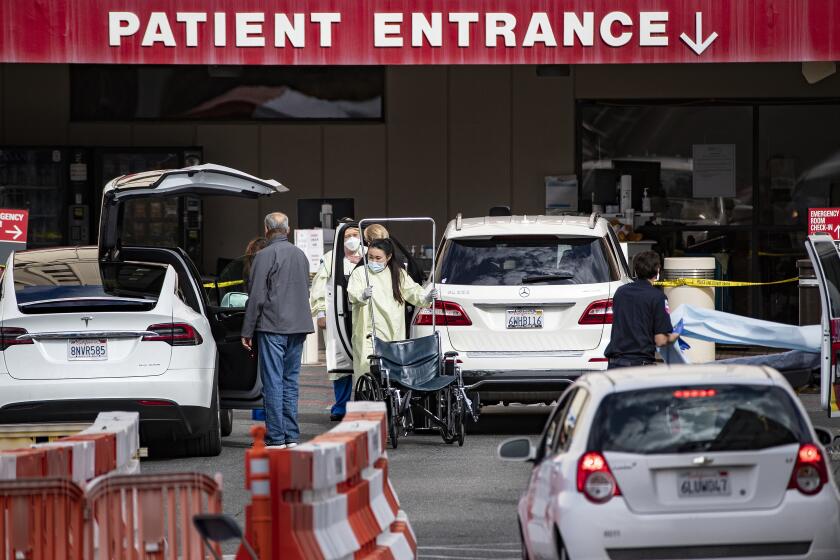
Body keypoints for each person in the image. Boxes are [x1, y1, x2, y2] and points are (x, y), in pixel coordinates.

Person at [241, 212, 314, 448]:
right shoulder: (301, 255)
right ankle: (291, 435)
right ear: (288, 230)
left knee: (273, 382)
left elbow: (256, 296)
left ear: (266, 230)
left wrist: (247, 330)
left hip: (273, 325)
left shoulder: (264, 255)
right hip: (299, 326)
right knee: (290, 381)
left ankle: (276, 437)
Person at [347, 238, 437, 381]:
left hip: (392, 330)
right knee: (367, 371)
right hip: (368, 332)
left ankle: (389, 402)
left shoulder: (398, 274)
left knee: (391, 374)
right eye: (370, 257)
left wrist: (427, 298)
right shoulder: (360, 273)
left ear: (388, 257)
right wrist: (362, 295)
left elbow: (413, 292)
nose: (374, 261)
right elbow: (353, 294)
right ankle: (367, 401)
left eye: (378, 258)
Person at [310, 223, 363, 421]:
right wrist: (321, 312)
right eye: (347, 235)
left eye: (355, 234)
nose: (351, 239)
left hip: (361, 316)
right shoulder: (330, 258)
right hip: (338, 317)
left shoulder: (370, 254)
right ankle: (341, 406)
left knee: (364, 360)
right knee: (340, 363)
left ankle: (362, 403)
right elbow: (320, 288)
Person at [605, 251, 680, 369]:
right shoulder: (658, 297)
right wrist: (676, 334)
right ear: (657, 271)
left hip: (615, 365)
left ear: (635, 270)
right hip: (639, 366)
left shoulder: (620, 292)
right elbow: (660, 340)